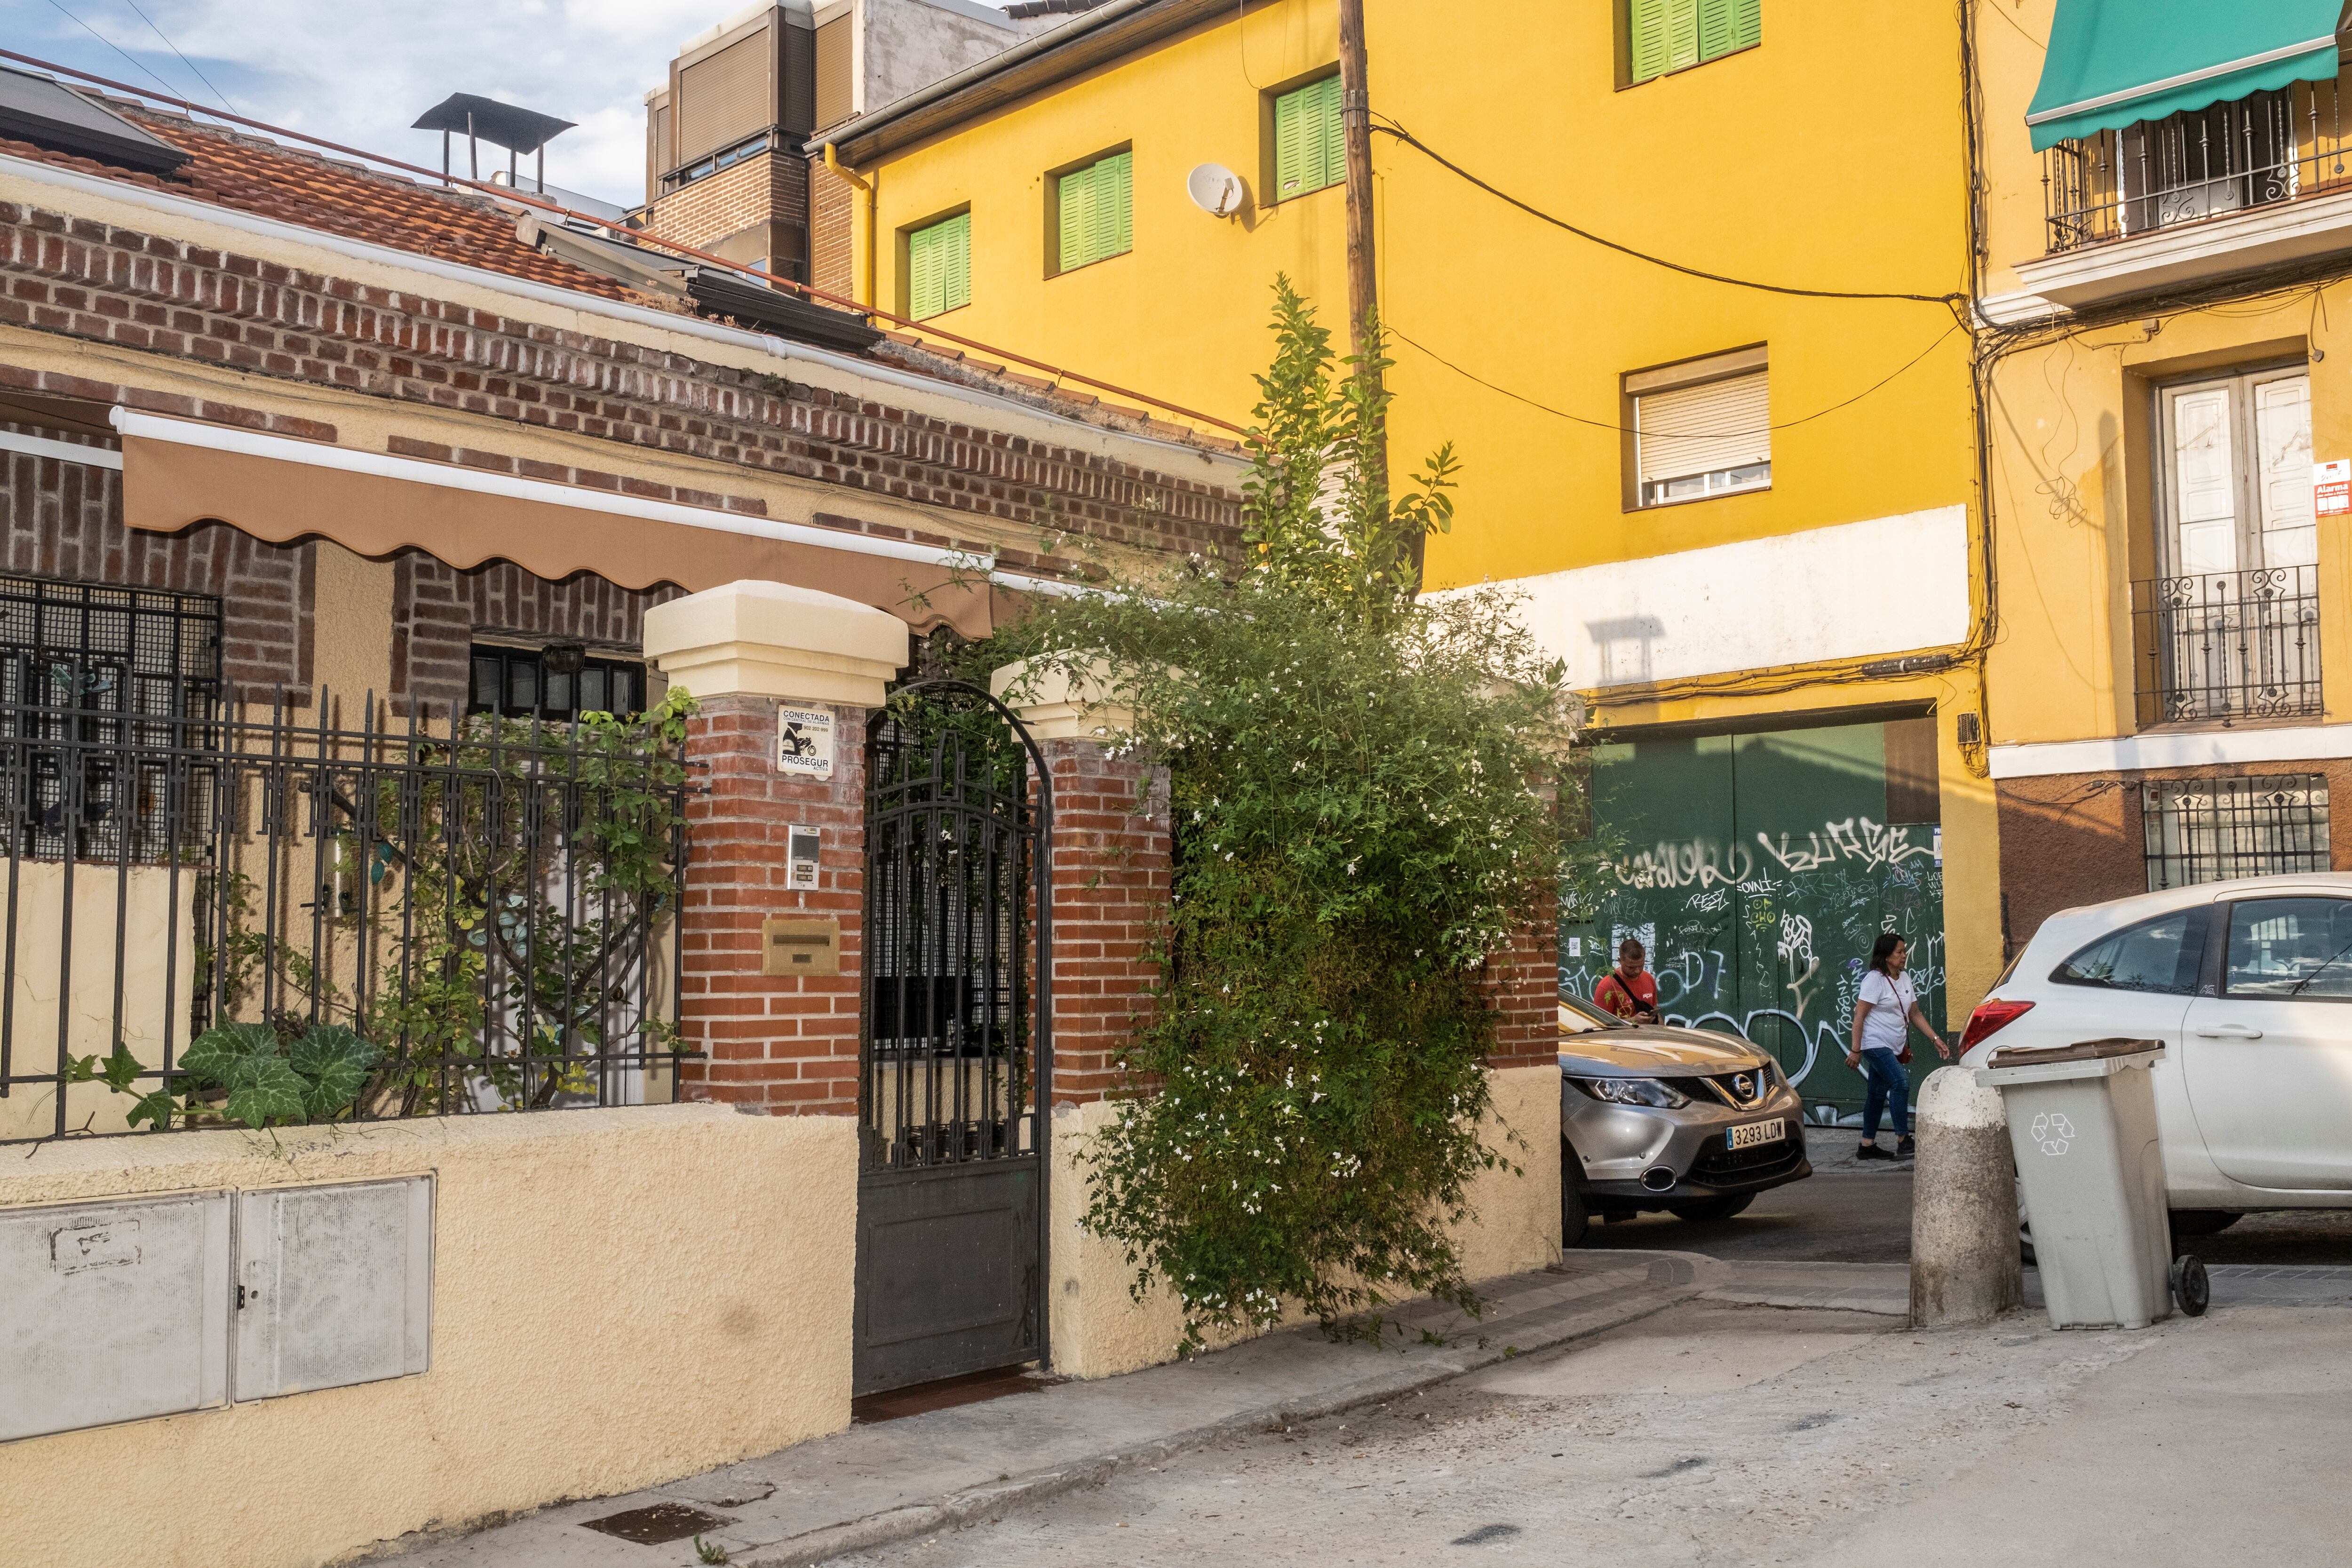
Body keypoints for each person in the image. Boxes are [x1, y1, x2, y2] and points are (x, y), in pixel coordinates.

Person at [1845, 931, 1950, 1160]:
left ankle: (1867, 1145)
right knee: (1900, 1083)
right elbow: (1859, 1016)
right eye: (1899, 952)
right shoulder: (1874, 980)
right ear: (1886, 956)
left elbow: (1914, 1013)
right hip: (1874, 1044)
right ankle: (1903, 1140)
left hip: (1894, 1045)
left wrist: (1935, 1039)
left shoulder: (1904, 978)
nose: (1904, 956)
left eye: (1904, 951)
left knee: (1876, 1095)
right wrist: (1856, 1049)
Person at [1594, 938, 1659, 1023]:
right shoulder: (1607, 986)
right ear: (1620, 961)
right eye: (1631, 967)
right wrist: (1632, 1021)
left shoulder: (1648, 978)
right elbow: (1600, 1023)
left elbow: (1655, 1011)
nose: (1637, 971)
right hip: (1622, 1036)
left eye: (1641, 965)